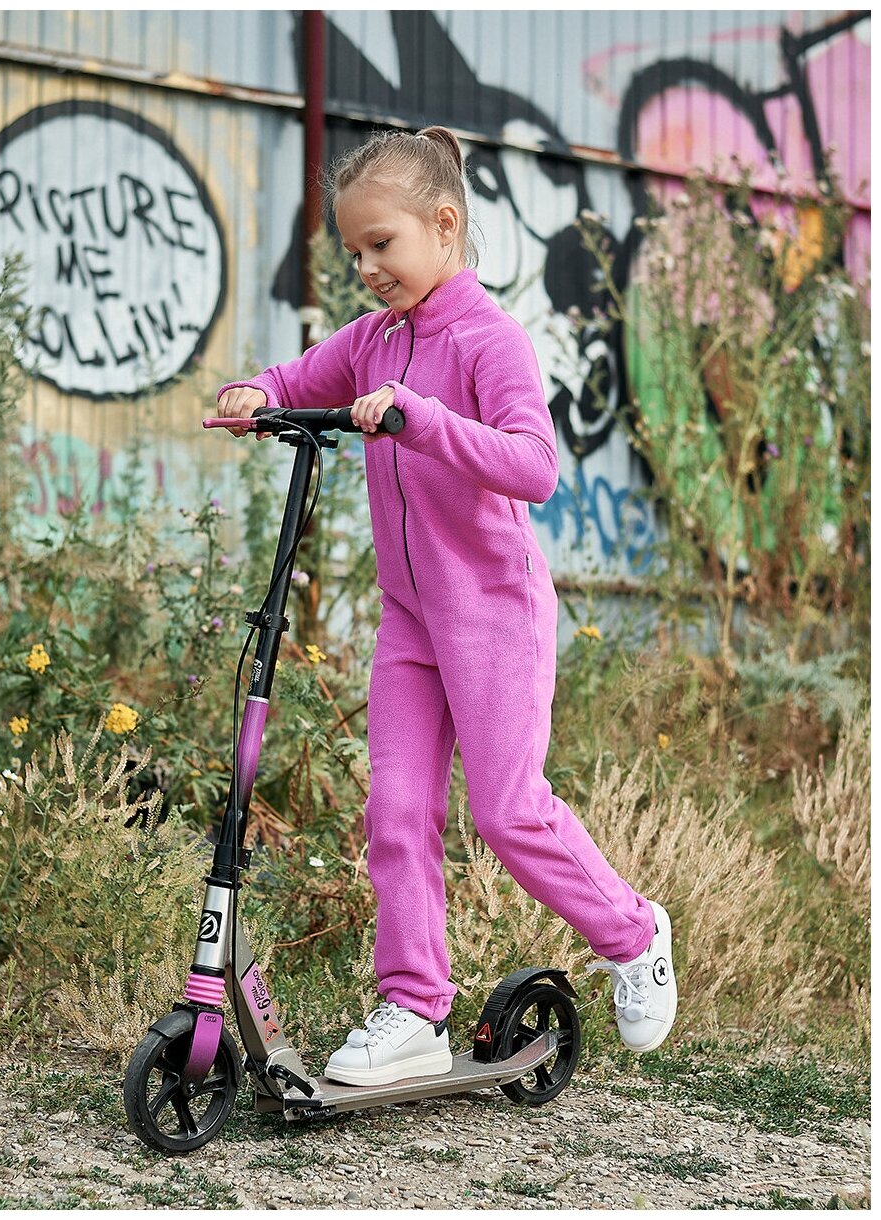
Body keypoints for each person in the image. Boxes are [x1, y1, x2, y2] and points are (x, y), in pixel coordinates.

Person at [217, 126, 677, 1086]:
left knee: (508, 812)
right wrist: (257, 391)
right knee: (396, 811)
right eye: (354, 250)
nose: (366, 268)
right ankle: (415, 1007)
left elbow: (535, 465)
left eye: (381, 244)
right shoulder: (374, 339)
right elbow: (302, 377)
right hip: (409, 624)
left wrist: (421, 419)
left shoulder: (488, 340)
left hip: (495, 617)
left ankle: (633, 933)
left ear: (443, 224)